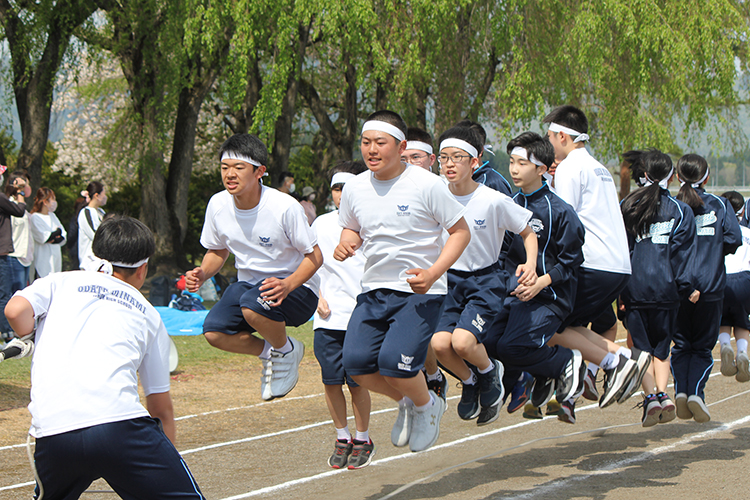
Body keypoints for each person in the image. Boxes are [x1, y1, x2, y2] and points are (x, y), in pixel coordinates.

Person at [3, 215, 205, 499]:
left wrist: (28, 334)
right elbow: (160, 409)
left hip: (54, 434)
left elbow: (14, 311)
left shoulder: (60, 281)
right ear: (142, 269)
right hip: (120, 426)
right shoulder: (148, 313)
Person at [335, 110, 470, 453]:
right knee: (356, 365)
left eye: (380, 142)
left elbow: (460, 232)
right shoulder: (355, 187)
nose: (372, 150)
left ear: (401, 146)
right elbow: (352, 225)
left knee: (395, 363)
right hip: (374, 289)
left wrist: (433, 272)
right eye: (366, 142)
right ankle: (410, 401)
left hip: (419, 291)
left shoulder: (427, 184)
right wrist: (348, 240)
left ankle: (428, 406)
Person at [186, 133, 323, 401]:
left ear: (259, 171)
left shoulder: (284, 207)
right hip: (250, 288)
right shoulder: (217, 205)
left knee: (252, 302)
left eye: (239, 168)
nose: (230, 174)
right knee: (214, 331)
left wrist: (288, 284)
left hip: (298, 289)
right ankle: (276, 352)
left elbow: (315, 257)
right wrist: (202, 272)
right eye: (225, 168)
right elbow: (218, 250)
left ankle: (284, 351)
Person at [543, 105, 649, 410]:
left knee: (546, 325)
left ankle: (614, 362)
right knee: (568, 326)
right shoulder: (596, 166)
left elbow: (564, 220)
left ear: (561, 135)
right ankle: (619, 359)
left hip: (593, 263)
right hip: (616, 266)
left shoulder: (569, 168)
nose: (546, 143)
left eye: (548, 136)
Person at [430, 126, 538, 426]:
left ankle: (491, 371)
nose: (449, 164)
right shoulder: (435, 195)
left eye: (457, 158)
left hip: (485, 281)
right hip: (449, 282)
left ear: (475, 162)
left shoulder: (492, 199)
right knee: (439, 345)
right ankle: (470, 380)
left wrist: (530, 264)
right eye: (444, 158)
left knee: (463, 343)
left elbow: (527, 233)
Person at [482, 132, 588, 425]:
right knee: (486, 341)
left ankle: (566, 362)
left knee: (510, 347)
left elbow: (571, 262)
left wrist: (540, 282)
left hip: (549, 297)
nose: (514, 169)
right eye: (512, 162)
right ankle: (535, 376)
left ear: (542, 169)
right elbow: (500, 254)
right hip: (513, 295)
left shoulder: (561, 211)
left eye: (522, 163)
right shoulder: (506, 204)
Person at [619, 150, 698, 427]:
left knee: (640, 349)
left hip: (635, 288)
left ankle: (650, 398)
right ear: (672, 176)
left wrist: (618, 294)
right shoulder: (680, 210)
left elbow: (623, 251)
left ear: (644, 174)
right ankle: (664, 395)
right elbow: (683, 255)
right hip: (667, 291)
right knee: (663, 348)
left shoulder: (627, 205)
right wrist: (686, 287)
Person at [311, 160, 373, 469]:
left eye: (347, 188)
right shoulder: (320, 224)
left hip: (360, 315)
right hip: (327, 317)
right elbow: (306, 263)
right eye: (337, 188)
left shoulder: (373, 224)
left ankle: (363, 437)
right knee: (331, 381)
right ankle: (342, 436)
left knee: (357, 381)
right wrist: (316, 296)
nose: (341, 194)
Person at [671, 154, 741, 422]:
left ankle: (680, 391)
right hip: (710, 287)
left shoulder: (673, 206)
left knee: (680, 345)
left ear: (677, 177)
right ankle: (696, 394)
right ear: (707, 178)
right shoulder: (720, 205)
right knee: (701, 347)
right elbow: (733, 239)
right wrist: (712, 250)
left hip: (678, 288)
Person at [718, 190, 750, 383]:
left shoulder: (719, 232)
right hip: (745, 280)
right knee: (741, 320)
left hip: (722, 279)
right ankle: (743, 352)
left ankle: (724, 346)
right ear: (743, 209)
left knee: (723, 320)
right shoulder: (747, 232)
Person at [1, 165, 28, 342]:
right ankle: (7, 334)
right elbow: (19, 211)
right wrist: (21, 193)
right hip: (1, 253)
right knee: (4, 294)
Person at [6, 171, 34, 293]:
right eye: (24, 185)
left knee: (23, 292)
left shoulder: (23, 207)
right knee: (15, 294)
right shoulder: (10, 205)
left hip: (25, 256)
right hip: (15, 255)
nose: (28, 188)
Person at [30, 187, 67, 278]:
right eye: (52, 199)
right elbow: (43, 237)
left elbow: (63, 234)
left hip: (56, 255)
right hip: (43, 258)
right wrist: (54, 235)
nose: (54, 202)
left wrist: (55, 236)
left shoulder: (53, 216)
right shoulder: (35, 217)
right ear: (45, 202)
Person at [77, 181, 107, 269]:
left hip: (101, 260)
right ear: (97, 196)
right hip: (89, 263)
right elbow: (95, 234)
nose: (105, 197)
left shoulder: (101, 212)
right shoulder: (86, 212)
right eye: (103, 194)